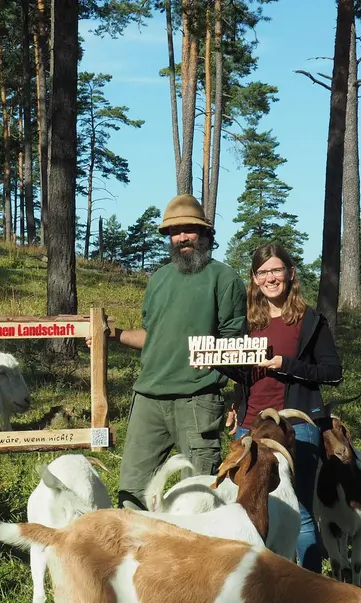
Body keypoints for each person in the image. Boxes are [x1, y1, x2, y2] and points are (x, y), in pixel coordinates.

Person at [93, 193, 247, 511]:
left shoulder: (225, 278)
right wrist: (113, 335)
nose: (182, 237)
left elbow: (235, 343)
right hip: (148, 399)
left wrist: (234, 394)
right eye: (175, 232)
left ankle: (201, 559)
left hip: (197, 399)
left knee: (202, 492)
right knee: (133, 491)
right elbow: (152, 336)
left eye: (189, 229)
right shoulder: (159, 279)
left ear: (205, 233)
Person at [215, 242, 342, 573]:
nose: (270, 278)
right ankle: (254, 579)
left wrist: (287, 364)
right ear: (255, 279)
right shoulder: (247, 322)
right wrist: (221, 369)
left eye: (276, 270)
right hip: (250, 427)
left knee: (297, 510)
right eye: (263, 272)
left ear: (290, 273)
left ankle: (310, 586)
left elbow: (333, 372)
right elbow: (246, 374)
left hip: (296, 426)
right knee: (243, 505)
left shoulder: (312, 321)